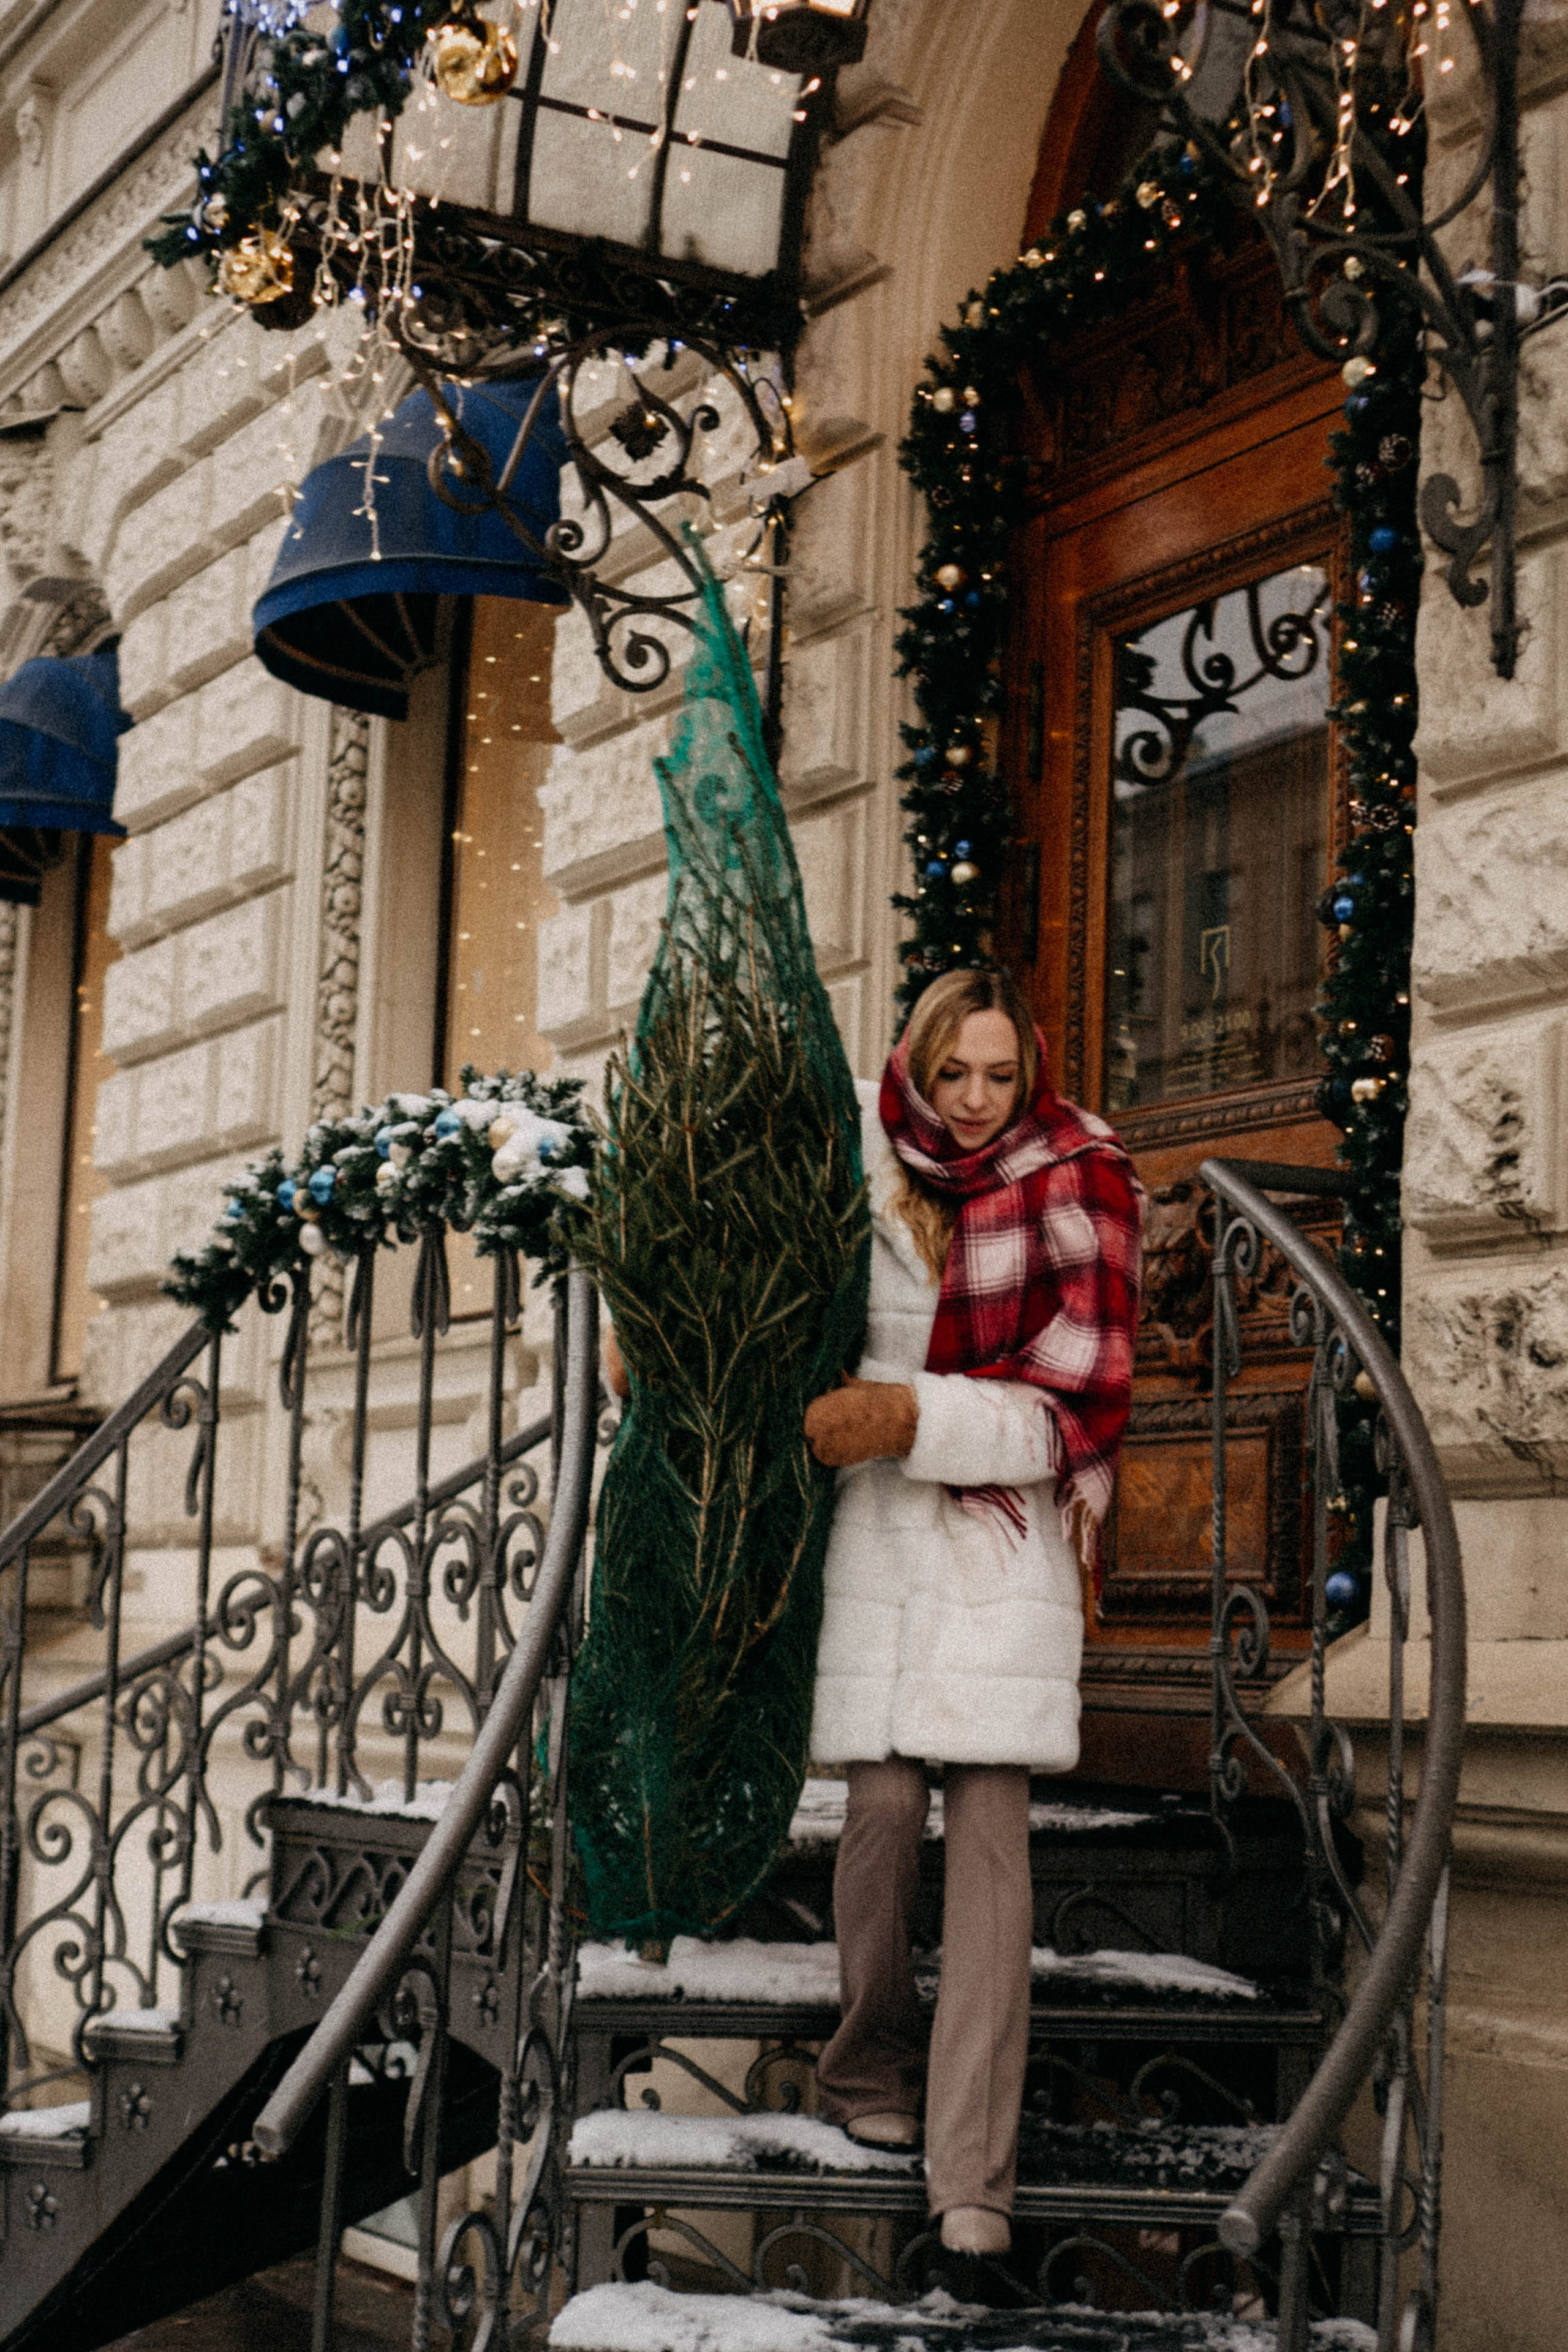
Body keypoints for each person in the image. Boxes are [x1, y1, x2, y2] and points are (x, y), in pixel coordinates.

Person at [800, 965, 1142, 2302]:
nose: (978, 1100)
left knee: (988, 1840)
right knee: (881, 1815)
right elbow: (788, 1333)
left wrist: (911, 1420)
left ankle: (970, 2187)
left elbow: (1080, 1404)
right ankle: (861, 2063)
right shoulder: (859, 1179)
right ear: (917, 1068)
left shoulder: (1080, 1176)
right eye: (956, 1074)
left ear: (1030, 1074)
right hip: (876, 1546)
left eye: (1001, 1075)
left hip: (1000, 1546)